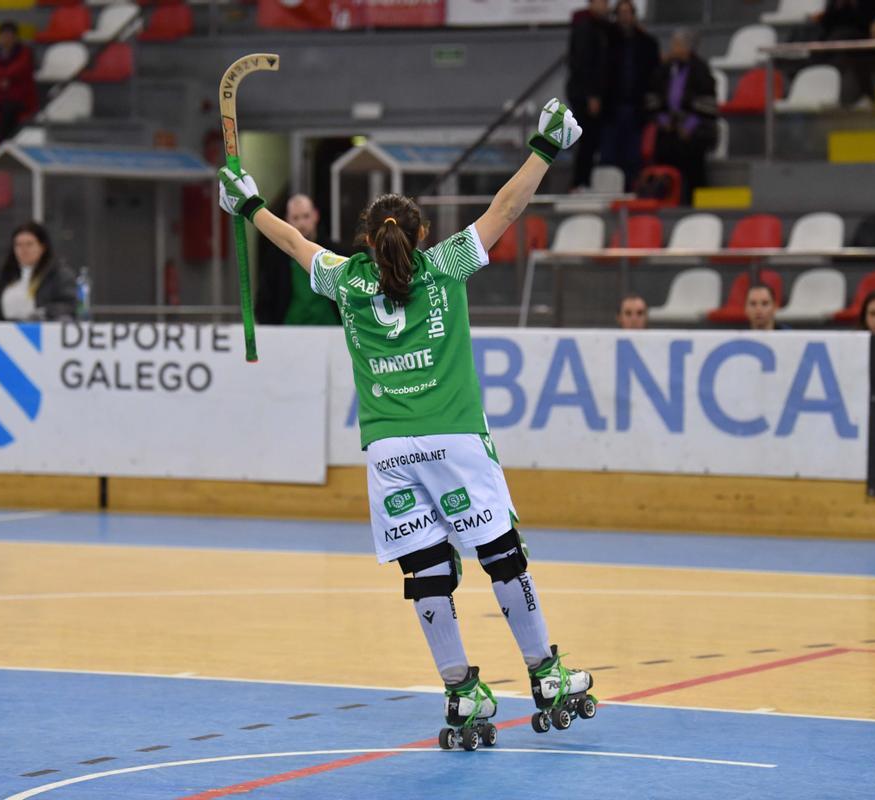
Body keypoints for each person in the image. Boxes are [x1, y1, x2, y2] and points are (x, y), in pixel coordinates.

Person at [219, 98, 596, 748]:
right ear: (420, 236)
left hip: (389, 449)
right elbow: (506, 207)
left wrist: (249, 205)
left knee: (425, 572)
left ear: (366, 240)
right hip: (454, 437)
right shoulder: (445, 267)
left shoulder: (347, 281)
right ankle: (546, 675)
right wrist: (546, 145)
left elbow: (293, 240)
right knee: (502, 557)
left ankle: (461, 690)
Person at [645, 29, 719, 205]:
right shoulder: (664, 70)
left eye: (676, 45)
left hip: (693, 130)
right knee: (663, 156)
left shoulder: (701, 71)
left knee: (693, 164)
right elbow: (653, 98)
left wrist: (689, 125)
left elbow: (707, 102)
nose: (673, 48)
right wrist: (663, 120)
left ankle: (693, 204)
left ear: (687, 47)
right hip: (668, 128)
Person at [600, 0, 660, 187]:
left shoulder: (647, 44)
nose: (625, 17)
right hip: (611, 107)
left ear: (634, 15)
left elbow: (654, 77)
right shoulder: (606, 41)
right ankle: (609, 190)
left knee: (633, 156)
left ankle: (632, 189)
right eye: (621, 12)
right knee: (609, 154)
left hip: (636, 107)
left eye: (628, 12)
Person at [255, 194, 339, 325]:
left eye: (306, 216)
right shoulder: (275, 258)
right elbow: (265, 297)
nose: (301, 223)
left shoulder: (336, 253)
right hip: (288, 334)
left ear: (315, 216)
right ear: (287, 220)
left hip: (332, 331)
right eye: (296, 218)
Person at [566, 0, 610, 189]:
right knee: (586, 139)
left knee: (592, 141)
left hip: (590, 92)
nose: (606, 6)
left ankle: (585, 181)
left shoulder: (601, 27)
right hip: (584, 94)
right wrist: (591, 95)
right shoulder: (585, 27)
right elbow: (583, 63)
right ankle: (580, 182)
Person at [0, 222, 76, 321]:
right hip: (3, 330)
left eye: (29, 244)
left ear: (42, 247)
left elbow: (69, 306)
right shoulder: (8, 274)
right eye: (18, 245)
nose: (23, 250)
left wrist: (43, 312)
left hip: (41, 331)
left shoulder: (58, 275)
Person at [0, 21, 37, 142]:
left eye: (9, 36)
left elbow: (18, 70)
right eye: (3, 36)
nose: (6, 39)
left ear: (15, 38)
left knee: (8, 109)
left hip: (18, 99)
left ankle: (0, 144)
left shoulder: (24, 53)